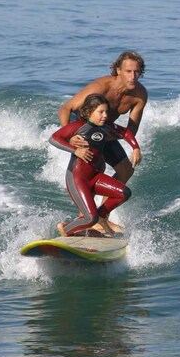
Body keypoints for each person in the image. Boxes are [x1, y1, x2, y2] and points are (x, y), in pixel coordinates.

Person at [57, 51, 148, 233]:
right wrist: (71, 137)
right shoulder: (101, 87)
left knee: (125, 169)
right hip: (83, 128)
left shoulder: (139, 95)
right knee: (92, 169)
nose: (133, 76)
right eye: (128, 71)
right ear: (118, 70)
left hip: (105, 130)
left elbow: (131, 129)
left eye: (137, 72)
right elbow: (66, 109)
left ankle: (102, 217)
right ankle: (85, 217)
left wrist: (127, 143)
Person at [49, 93, 140, 238]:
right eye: (100, 112)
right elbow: (54, 138)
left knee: (124, 193)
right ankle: (65, 228)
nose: (105, 115)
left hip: (95, 177)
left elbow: (125, 132)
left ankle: (102, 217)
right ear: (89, 112)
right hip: (78, 179)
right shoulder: (78, 126)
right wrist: (76, 150)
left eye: (106, 112)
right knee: (90, 218)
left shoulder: (106, 127)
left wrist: (136, 148)